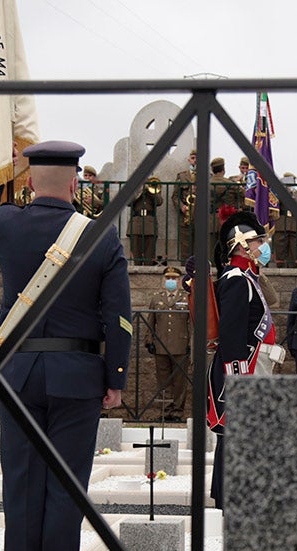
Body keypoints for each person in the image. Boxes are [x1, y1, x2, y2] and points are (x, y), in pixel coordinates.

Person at [0, 139, 132, 551]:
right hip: (78, 377)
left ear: (30, 180)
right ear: (76, 180)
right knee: (65, 489)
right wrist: (115, 378)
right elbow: (117, 313)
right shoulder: (100, 234)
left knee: (20, 488)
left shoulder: (8, 225)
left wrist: (4, 178)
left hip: (17, 375)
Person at [207, 211, 276, 509]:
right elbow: (232, 334)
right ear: (241, 244)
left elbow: (270, 302)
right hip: (243, 367)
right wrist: (238, 377)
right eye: (259, 240)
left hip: (254, 363)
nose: (263, 245)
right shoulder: (236, 279)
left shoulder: (248, 276)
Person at [146, 266, 192, 421]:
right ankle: (165, 411)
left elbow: (191, 323)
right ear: (163, 280)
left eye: (174, 279)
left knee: (180, 381)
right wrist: (149, 341)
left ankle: (178, 412)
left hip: (181, 345)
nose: (171, 281)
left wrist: (192, 343)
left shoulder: (186, 298)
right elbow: (151, 322)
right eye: (168, 278)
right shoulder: (156, 298)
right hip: (161, 345)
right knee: (163, 380)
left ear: (179, 281)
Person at [272, 172, 297, 268]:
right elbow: (273, 205)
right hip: (281, 224)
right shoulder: (278, 192)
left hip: (296, 225)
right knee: (280, 252)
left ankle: (293, 271)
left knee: (295, 253)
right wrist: (282, 192)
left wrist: (293, 195)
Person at [128, 176, 163, 266]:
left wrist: (150, 192)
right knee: (136, 253)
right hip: (136, 222)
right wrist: (139, 191)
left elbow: (159, 201)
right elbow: (128, 202)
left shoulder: (154, 185)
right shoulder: (134, 186)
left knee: (149, 253)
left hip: (149, 223)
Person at [172, 150, 197, 261]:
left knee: (200, 247)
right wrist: (181, 206)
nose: (195, 160)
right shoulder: (181, 176)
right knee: (185, 247)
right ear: (189, 160)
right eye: (193, 157)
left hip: (200, 214)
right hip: (185, 215)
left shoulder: (208, 176)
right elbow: (175, 196)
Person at [209, 157, 237, 252]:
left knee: (210, 250)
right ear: (223, 169)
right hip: (226, 218)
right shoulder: (231, 184)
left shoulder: (205, 184)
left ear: (212, 169)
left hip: (210, 219)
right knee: (226, 249)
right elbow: (243, 195)